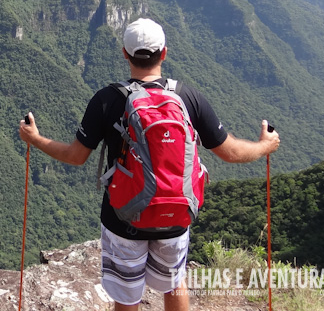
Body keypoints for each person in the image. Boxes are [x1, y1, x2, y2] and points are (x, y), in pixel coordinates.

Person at [19, 18, 280, 311]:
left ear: (124, 54)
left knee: (128, 296)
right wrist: (264, 146)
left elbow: (76, 156)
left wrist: (35, 138)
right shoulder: (187, 97)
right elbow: (230, 152)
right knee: (175, 282)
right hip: (176, 214)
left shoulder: (107, 100)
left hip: (123, 219)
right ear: (164, 53)